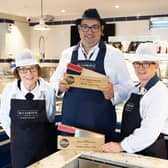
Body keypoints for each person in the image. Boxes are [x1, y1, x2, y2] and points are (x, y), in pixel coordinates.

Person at [50, 8, 133, 142]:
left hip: (101, 123)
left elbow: (128, 87)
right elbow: (53, 83)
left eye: (94, 27)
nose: (89, 31)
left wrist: (114, 92)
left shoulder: (115, 55)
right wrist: (59, 87)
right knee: (71, 161)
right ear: (79, 29)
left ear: (101, 29)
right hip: (71, 122)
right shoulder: (67, 54)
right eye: (85, 27)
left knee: (98, 162)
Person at [100, 43, 168, 159]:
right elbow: (115, 96)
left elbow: (149, 132)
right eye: (137, 63)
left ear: (155, 66)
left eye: (146, 63)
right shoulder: (135, 89)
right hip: (133, 151)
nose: (140, 68)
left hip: (150, 153)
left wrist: (121, 146)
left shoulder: (159, 93)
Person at [0, 49, 57, 168]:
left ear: (38, 69)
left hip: (44, 148)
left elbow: (51, 117)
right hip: (20, 150)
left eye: (32, 69)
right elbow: (5, 118)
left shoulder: (48, 90)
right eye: (24, 70)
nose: (29, 74)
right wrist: (18, 138)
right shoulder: (10, 90)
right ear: (18, 72)